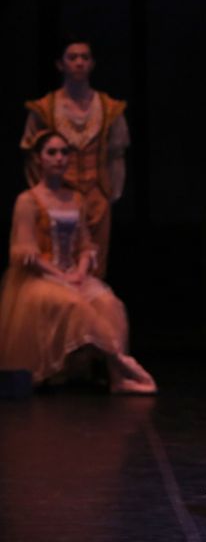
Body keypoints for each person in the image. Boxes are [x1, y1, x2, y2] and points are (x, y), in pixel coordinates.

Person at [0, 131, 155, 394]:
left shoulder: (75, 199)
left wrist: (80, 272)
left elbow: (85, 245)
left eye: (64, 152)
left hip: (73, 273)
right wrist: (62, 278)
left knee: (109, 304)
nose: (59, 158)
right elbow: (27, 253)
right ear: (39, 159)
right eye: (52, 152)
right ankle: (120, 360)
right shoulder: (28, 200)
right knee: (72, 303)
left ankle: (116, 378)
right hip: (40, 277)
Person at [22, 34, 129, 278]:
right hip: (58, 197)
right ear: (61, 64)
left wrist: (109, 193)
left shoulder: (109, 107)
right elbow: (32, 154)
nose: (79, 62)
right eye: (72, 57)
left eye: (85, 57)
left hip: (97, 197)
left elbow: (116, 155)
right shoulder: (45, 107)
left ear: (92, 63)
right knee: (57, 262)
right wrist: (43, 195)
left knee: (94, 266)